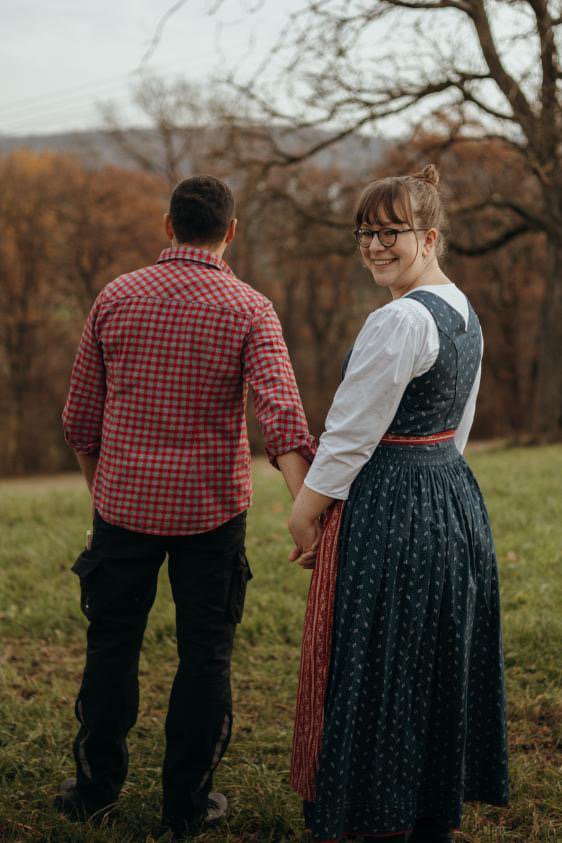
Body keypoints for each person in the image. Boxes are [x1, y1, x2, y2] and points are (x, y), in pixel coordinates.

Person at [58, 175, 315, 839]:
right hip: (210, 515)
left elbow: (80, 420)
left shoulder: (114, 296)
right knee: (206, 655)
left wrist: (104, 493)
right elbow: (281, 415)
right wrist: (306, 507)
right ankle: (186, 803)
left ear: (168, 226)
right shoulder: (250, 308)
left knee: (111, 643)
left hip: (122, 508)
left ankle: (94, 789)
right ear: (230, 232)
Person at [288, 165, 508, 842]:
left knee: (380, 662)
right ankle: (425, 810)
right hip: (451, 496)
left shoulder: (399, 320)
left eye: (391, 232)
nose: (376, 244)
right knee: (430, 657)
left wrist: (304, 510)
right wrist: (439, 482)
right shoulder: (462, 309)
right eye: (366, 232)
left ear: (430, 236)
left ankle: (374, 813)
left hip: (394, 504)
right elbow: (458, 424)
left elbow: (352, 433)